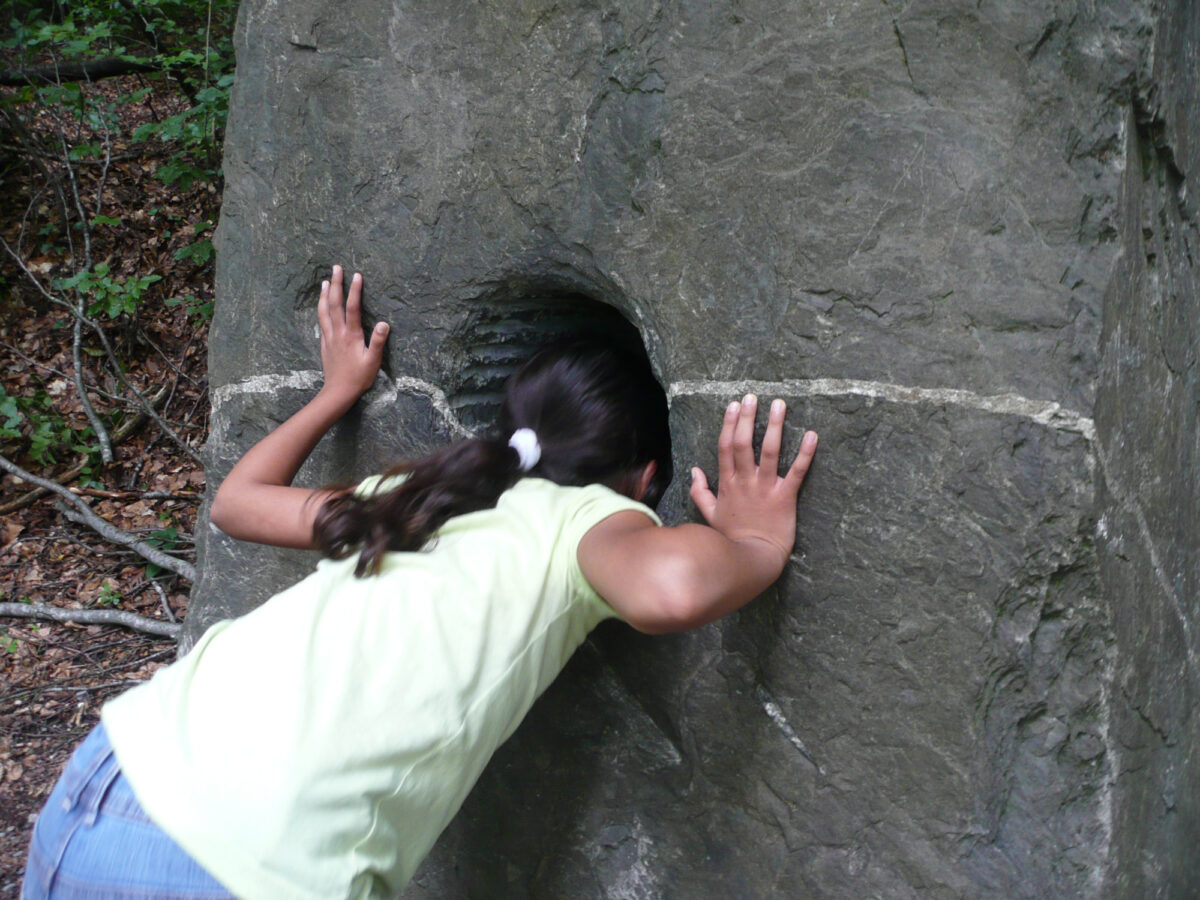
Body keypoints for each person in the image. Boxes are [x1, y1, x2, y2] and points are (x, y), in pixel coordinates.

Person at [23, 265, 818, 899]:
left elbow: (238, 503)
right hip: (243, 863)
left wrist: (338, 391)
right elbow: (670, 591)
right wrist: (753, 542)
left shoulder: (414, 497)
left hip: (114, 776)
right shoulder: (587, 520)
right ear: (644, 481)